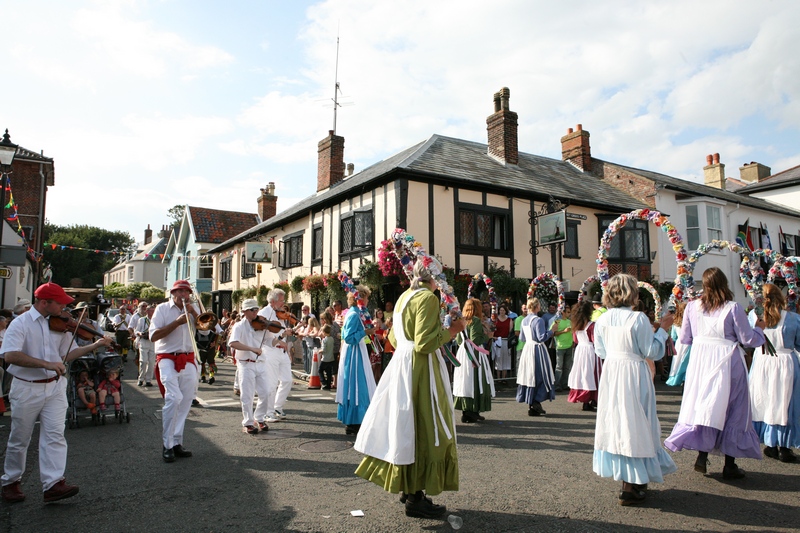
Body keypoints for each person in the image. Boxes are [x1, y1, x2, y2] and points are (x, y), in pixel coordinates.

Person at [354, 258, 466, 519]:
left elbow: (394, 337)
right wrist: (453, 330)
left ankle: (409, 486)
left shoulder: (405, 296)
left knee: (405, 425)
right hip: (421, 369)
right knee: (426, 426)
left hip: (401, 367)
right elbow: (425, 343)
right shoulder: (427, 298)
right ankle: (416, 498)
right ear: (434, 278)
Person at [1, 282, 112, 503]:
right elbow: (10, 356)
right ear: (45, 303)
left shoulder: (60, 325)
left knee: (55, 435)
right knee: (20, 438)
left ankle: (53, 484)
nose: (65, 308)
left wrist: (95, 345)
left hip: (55, 386)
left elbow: (67, 355)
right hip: (27, 387)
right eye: (60, 303)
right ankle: (11, 481)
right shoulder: (20, 324)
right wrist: (47, 364)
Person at [664, 267, 765, 480]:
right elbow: (748, 340)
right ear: (724, 283)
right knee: (733, 409)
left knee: (705, 405)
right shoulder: (733, 307)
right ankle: (730, 464)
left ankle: (702, 454)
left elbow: (684, 339)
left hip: (701, 362)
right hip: (728, 360)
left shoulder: (692, 307)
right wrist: (760, 330)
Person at [593, 274, 676, 505]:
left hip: (612, 373)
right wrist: (662, 331)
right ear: (632, 293)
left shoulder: (602, 320)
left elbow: (600, 351)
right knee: (637, 421)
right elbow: (652, 351)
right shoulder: (637, 319)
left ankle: (628, 481)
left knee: (619, 422)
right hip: (633, 372)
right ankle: (631, 484)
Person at [149, 279, 200, 463]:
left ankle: (177, 441)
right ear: (172, 293)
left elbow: (206, 331)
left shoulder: (194, 308)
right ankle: (167, 444)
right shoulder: (162, 309)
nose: (183, 295)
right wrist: (177, 323)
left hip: (188, 358)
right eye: (179, 291)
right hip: (167, 358)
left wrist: (194, 312)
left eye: (186, 292)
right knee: (174, 398)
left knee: (186, 401)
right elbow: (153, 335)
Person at [749, 284, 800, 463]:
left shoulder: (754, 316)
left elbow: (748, 340)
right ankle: (784, 448)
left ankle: (770, 445)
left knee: (765, 400)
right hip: (785, 362)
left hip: (762, 361)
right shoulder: (793, 319)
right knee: (784, 403)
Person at [336, 285, 377, 435]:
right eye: (365, 297)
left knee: (357, 385)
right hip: (353, 353)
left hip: (357, 351)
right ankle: (354, 421)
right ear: (359, 298)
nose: (367, 300)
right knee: (356, 385)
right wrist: (365, 331)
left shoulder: (356, 313)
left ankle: (355, 420)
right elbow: (348, 338)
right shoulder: (354, 314)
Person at [228, 298, 271, 435]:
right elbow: (233, 343)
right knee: (247, 395)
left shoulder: (261, 325)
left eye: (257, 309)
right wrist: (251, 349)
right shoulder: (239, 326)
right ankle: (248, 422)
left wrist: (282, 337)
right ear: (245, 311)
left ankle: (259, 418)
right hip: (246, 364)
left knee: (266, 392)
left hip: (260, 363)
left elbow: (270, 341)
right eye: (253, 310)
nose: (256, 312)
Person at [453, 298, 494, 423]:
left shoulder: (461, 320)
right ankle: (473, 410)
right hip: (474, 353)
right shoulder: (475, 320)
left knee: (465, 381)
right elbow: (475, 339)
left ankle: (467, 411)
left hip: (462, 352)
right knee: (475, 380)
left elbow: (459, 340)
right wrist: (487, 336)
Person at [516, 298, 557, 416]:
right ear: (537, 307)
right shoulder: (538, 320)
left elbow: (522, 338)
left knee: (529, 376)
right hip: (537, 349)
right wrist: (551, 331)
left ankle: (532, 403)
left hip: (527, 349)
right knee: (541, 375)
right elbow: (541, 338)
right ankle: (536, 401)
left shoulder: (524, 320)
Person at [258, 289, 292, 422]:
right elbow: (264, 335)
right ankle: (268, 412)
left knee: (287, 380)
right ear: (273, 301)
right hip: (270, 350)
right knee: (271, 383)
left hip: (281, 350)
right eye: (281, 300)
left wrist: (285, 341)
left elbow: (282, 331)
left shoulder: (279, 314)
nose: (283, 303)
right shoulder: (264, 313)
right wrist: (281, 337)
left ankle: (278, 406)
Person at [566, 301, 600, 412]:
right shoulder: (592, 325)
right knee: (592, 374)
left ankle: (585, 400)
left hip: (580, 350)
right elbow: (595, 340)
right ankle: (592, 399)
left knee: (582, 374)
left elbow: (575, 339)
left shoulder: (576, 325)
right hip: (590, 350)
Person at [665, 301, 690, 387]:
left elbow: (673, 336)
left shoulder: (675, 323)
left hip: (679, 344)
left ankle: (678, 378)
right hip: (690, 344)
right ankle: (685, 379)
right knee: (687, 363)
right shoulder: (690, 322)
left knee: (678, 362)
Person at [550, 303, 574, 392]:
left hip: (569, 345)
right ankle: (557, 385)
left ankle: (565, 384)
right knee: (559, 366)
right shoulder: (557, 321)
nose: (569, 314)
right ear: (563, 312)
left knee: (567, 366)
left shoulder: (569, 321)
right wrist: (564, 331)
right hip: (560, 346)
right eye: (567, 312)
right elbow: (552, 333)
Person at [134, 304, 156, 387]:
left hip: (153, 342)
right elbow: (136, 331)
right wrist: (140, 334)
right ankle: (141, 379)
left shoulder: (156, 320)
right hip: (144, 341)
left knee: (151, 362)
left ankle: (148, 380)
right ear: (147, 311)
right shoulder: (142, 320)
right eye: (150, 311)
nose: (152, 312)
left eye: (153, 311)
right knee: (143, 361)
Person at [492, 304, 513, 380]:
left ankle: (504, 377)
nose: (502, 312)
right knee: (498, 358)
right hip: (498, 341)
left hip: (506, 340)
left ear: (506, 311)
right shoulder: (496, 320)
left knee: (506, 359)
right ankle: (498, 377)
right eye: (500, 310)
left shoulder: (509, 320)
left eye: (503, 310)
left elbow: (510, 331)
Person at [317, 324, 335, 390]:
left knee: (320, 370)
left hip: (325, 359)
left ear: (324, 332)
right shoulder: (332, 339)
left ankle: (323, 382)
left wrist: (319, 351)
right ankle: (328, 385)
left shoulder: (324, 340)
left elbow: (324, 350)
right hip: (331, 358)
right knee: (329, 372)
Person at [513, 304, 527, 373]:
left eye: (527, 308)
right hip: (521, 345)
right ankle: (518, 377)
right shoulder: (519, 319)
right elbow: (517, 333)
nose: (526, 310)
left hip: (529, 346)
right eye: (524, 308)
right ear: (521, 309)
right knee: (520, 362)